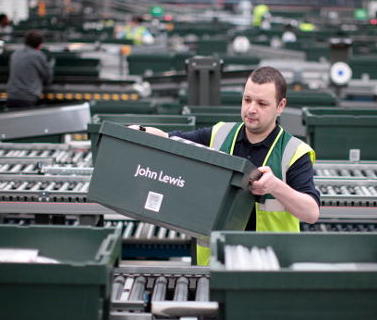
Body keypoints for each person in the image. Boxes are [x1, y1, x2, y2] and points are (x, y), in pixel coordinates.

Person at [129, 67, 320, 265]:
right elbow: (171, 140)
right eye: (247, 100)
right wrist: (139, 130)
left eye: (262, 103)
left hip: (269, 268)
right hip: (214, 266)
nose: (251, 109)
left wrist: (275, 187)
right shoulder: (219, 134)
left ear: (280, 106)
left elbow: (311, 213)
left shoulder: (294, 152)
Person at [5, 30, 53, 109]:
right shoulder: (38, 55)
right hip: (27, 99)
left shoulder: (15, 54)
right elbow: (48, 78)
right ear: (40, 45)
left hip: (11, 97)